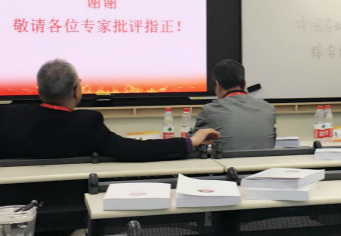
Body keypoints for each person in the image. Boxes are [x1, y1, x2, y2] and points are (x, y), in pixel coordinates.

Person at [0, 59, 219, 161]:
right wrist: (191, 141)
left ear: (39, 91)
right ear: (77, 90)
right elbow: (134, 150)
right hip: (68, 217)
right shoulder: (87, 124)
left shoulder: (7, 117)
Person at [191, 59, 276, 151]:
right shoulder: (268, 108)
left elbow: (191, 145)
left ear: (217, 86)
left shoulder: (209, 110)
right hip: (264, 161)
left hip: (228, 161)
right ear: (244, 84)